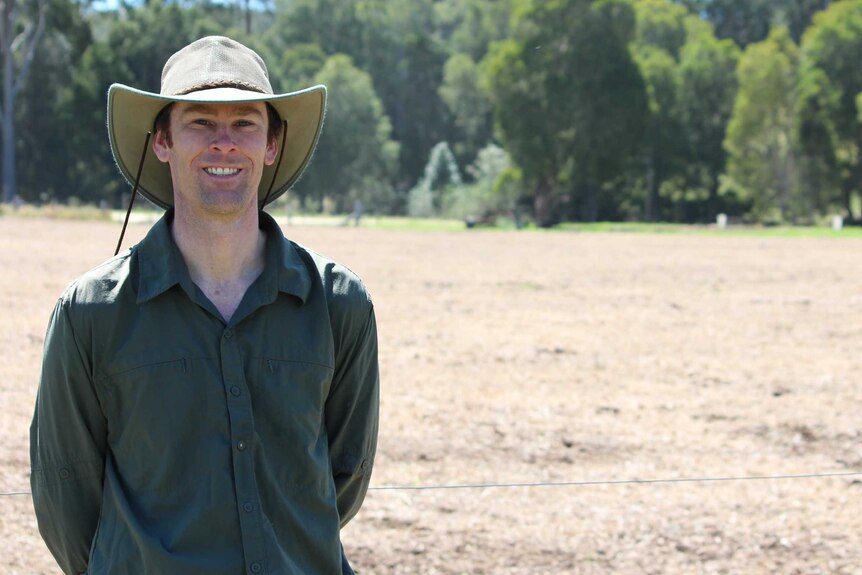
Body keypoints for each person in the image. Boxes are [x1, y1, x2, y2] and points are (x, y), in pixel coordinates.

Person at [29, 36, 379, 575]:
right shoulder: (90, 314)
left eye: (245, 123)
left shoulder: (338, 304)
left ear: (272, 144)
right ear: (162, 140)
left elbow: (345, 477)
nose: (224, 143)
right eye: (199, 122)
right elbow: (64, 493)